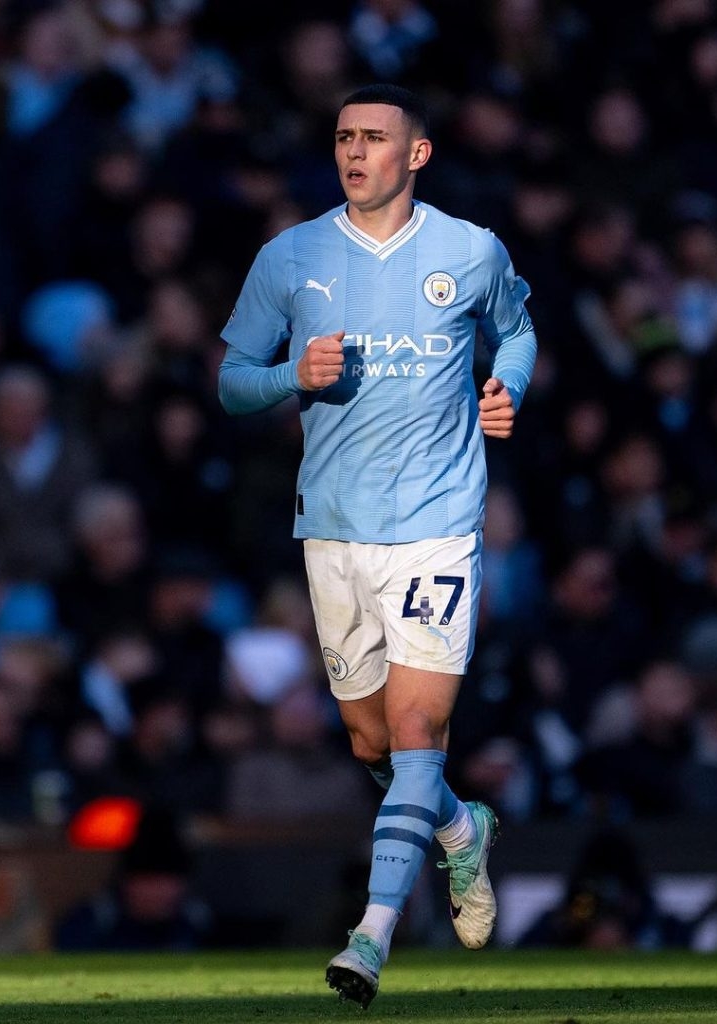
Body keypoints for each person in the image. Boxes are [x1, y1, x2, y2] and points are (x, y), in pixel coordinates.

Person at [217, 83, 537, 1007]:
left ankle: (370, 936)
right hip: (334, 532)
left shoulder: (469, 251)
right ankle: (458, 829)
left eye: (375, 138)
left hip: (437, 523)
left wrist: (505, 388)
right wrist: (290, 373)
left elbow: (515, 332)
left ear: (416, 155)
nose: (356, 153)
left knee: (415, 729)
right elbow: (233, 379)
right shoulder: (294, 255)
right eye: (345, 138)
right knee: (370, 743)